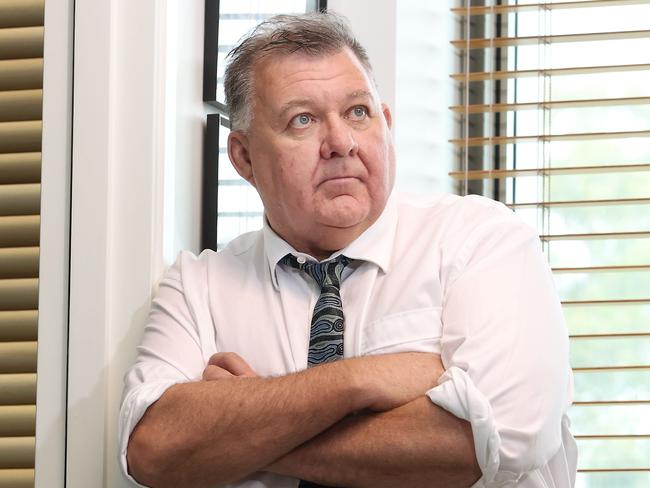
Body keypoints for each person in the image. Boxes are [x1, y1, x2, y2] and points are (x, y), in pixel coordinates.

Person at [119, 12, 577, 488]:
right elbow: (152, 449)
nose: (341, 143)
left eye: (359, 112)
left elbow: (497, 441)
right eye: (303, 120)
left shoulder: (481, 241)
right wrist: (360, 381)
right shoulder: (199, 286)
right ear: (244, 157)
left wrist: (245, 427)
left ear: (388, 124)